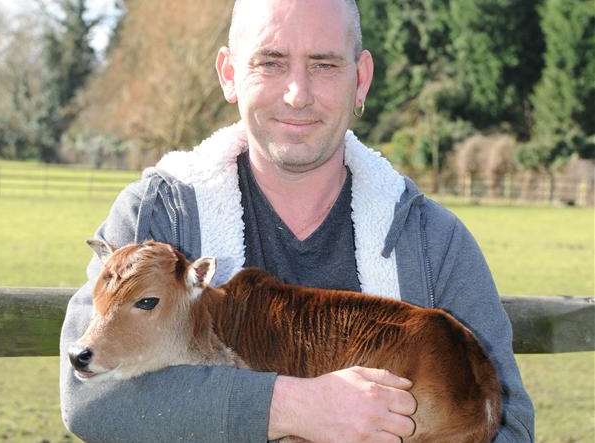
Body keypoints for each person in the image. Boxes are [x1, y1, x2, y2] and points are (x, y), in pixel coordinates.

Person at [59, 0, 534, 441]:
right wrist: (293, 405)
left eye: (324, 64)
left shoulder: (431, 240)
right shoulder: (158, 215)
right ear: (229, 74)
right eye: (271, 61)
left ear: (361, 78)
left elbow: (511, 425)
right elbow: (88, 399)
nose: (297, 94)